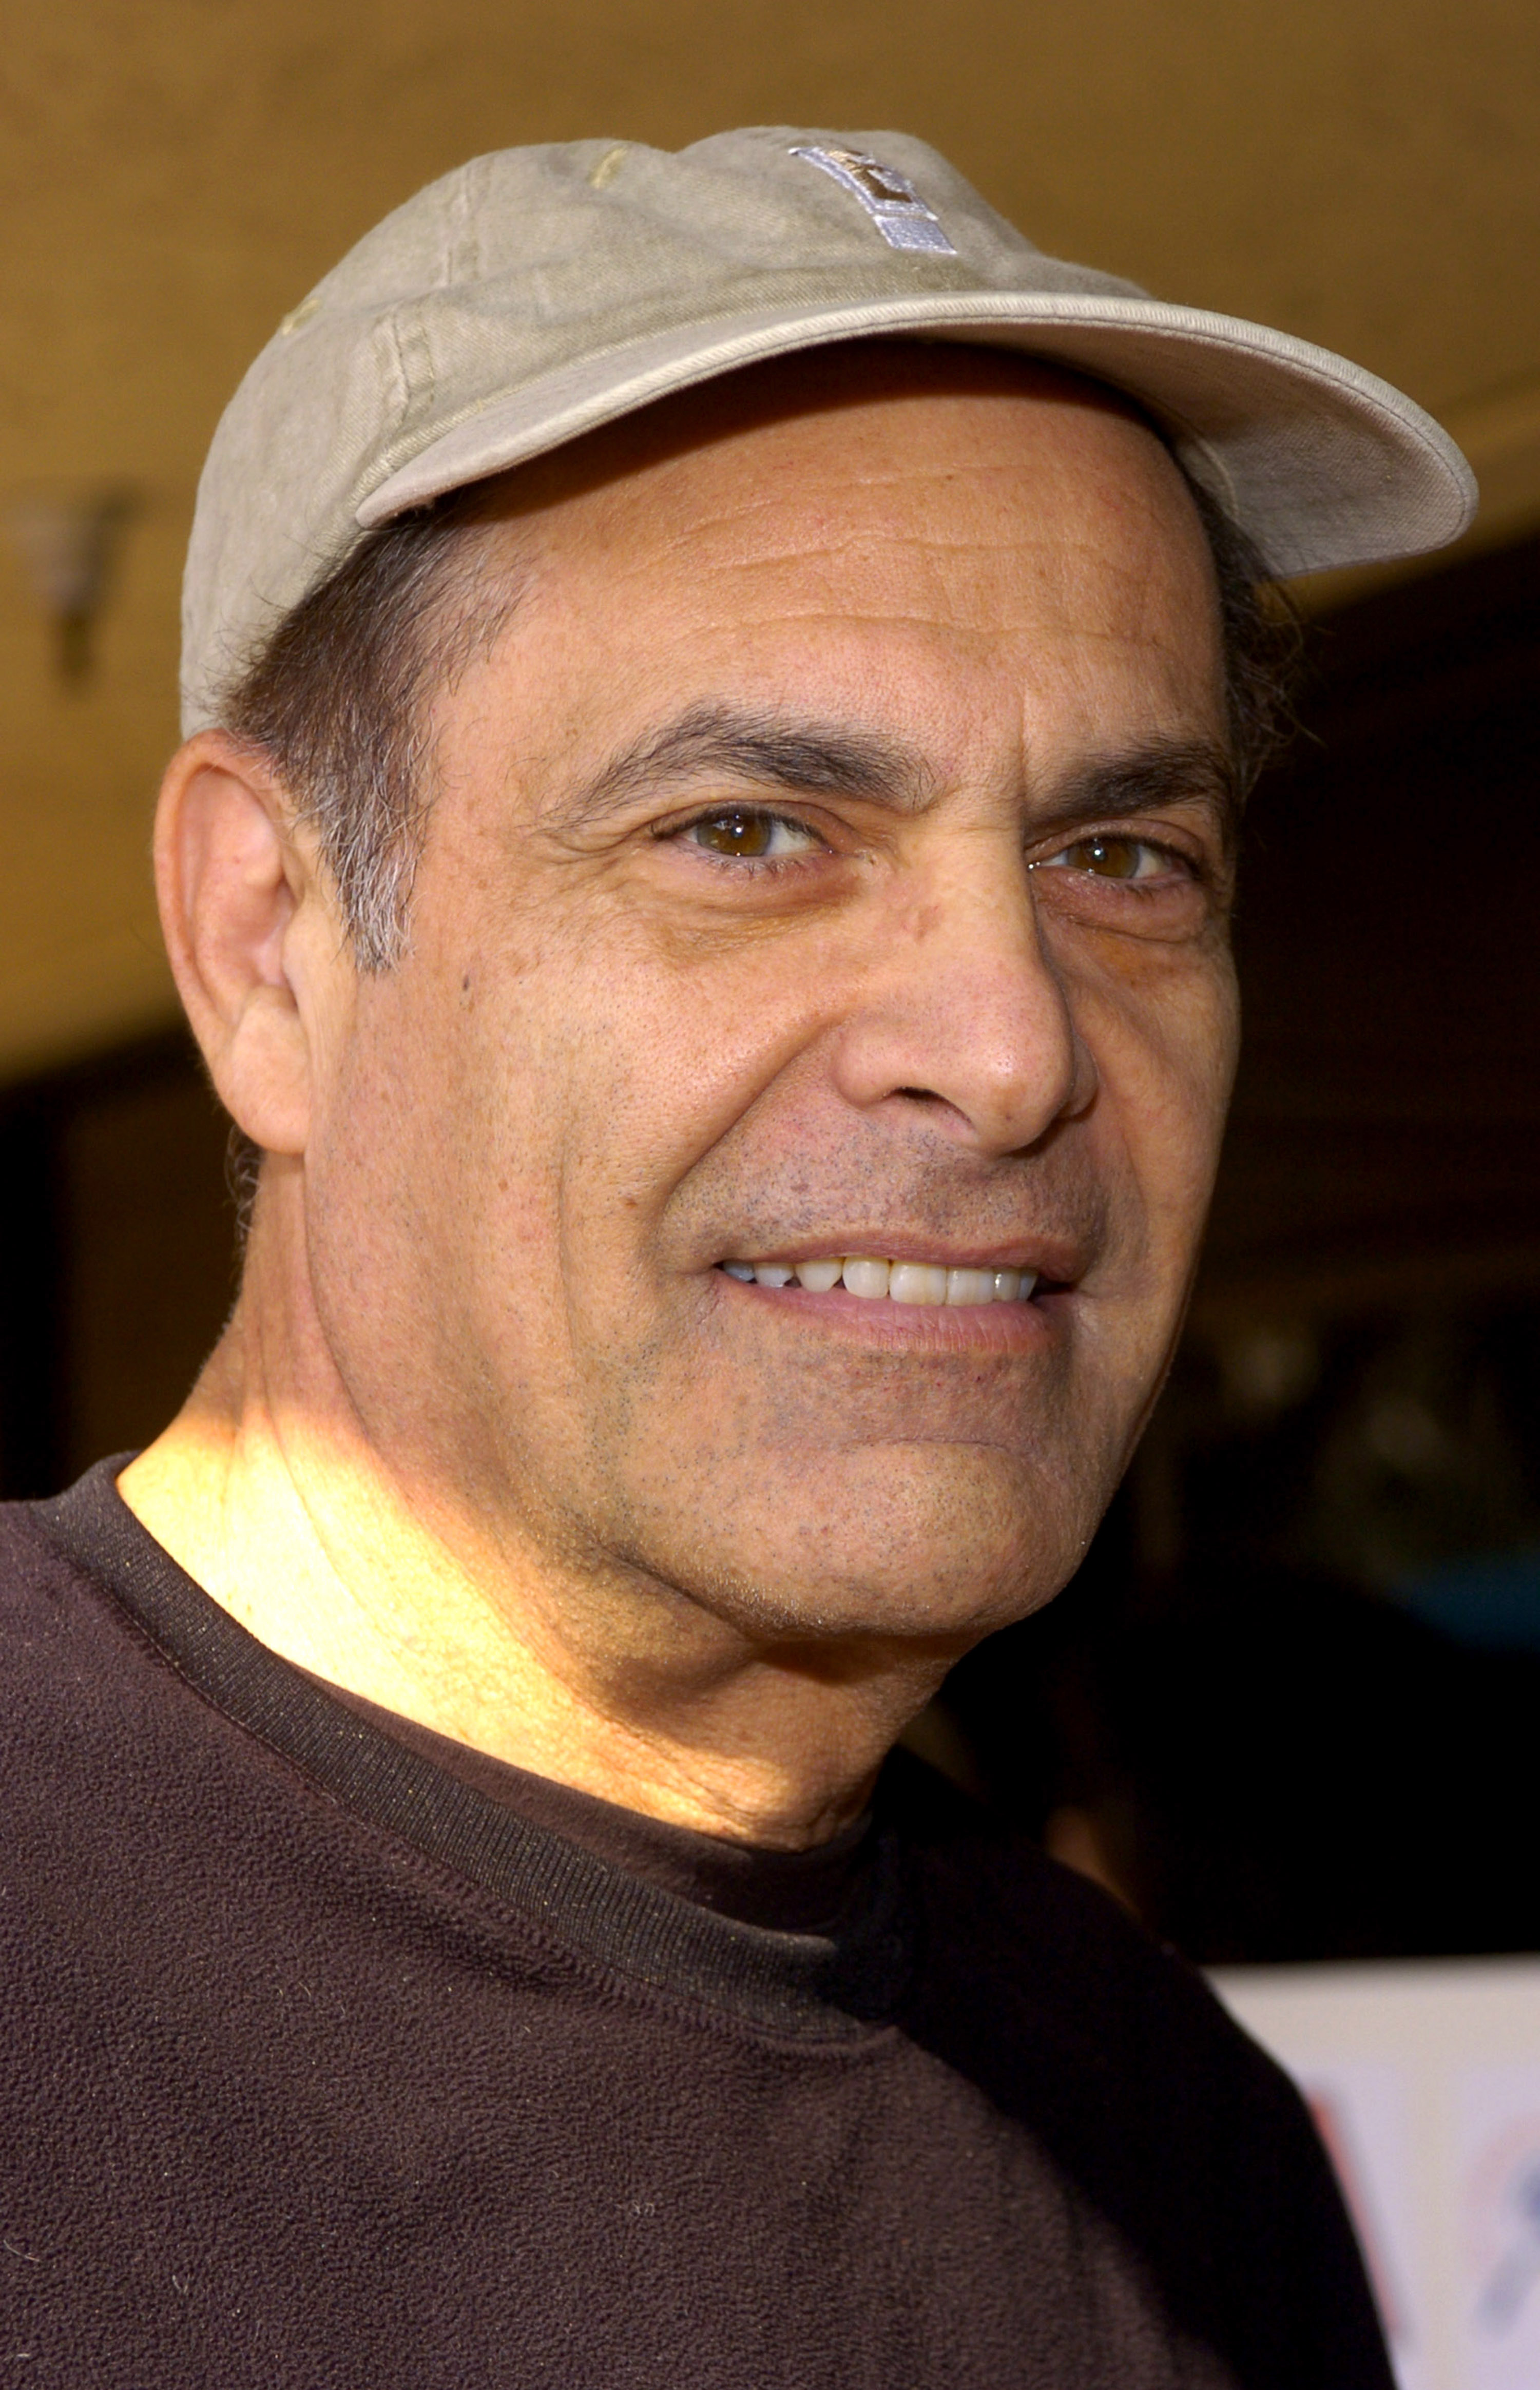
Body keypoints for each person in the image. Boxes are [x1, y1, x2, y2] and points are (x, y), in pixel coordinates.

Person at [1, 128, 1472, 2384]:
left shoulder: (1184, 2153)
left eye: (1122, 852)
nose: (1009, 1047)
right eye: (752, 832)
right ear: (272, 952)